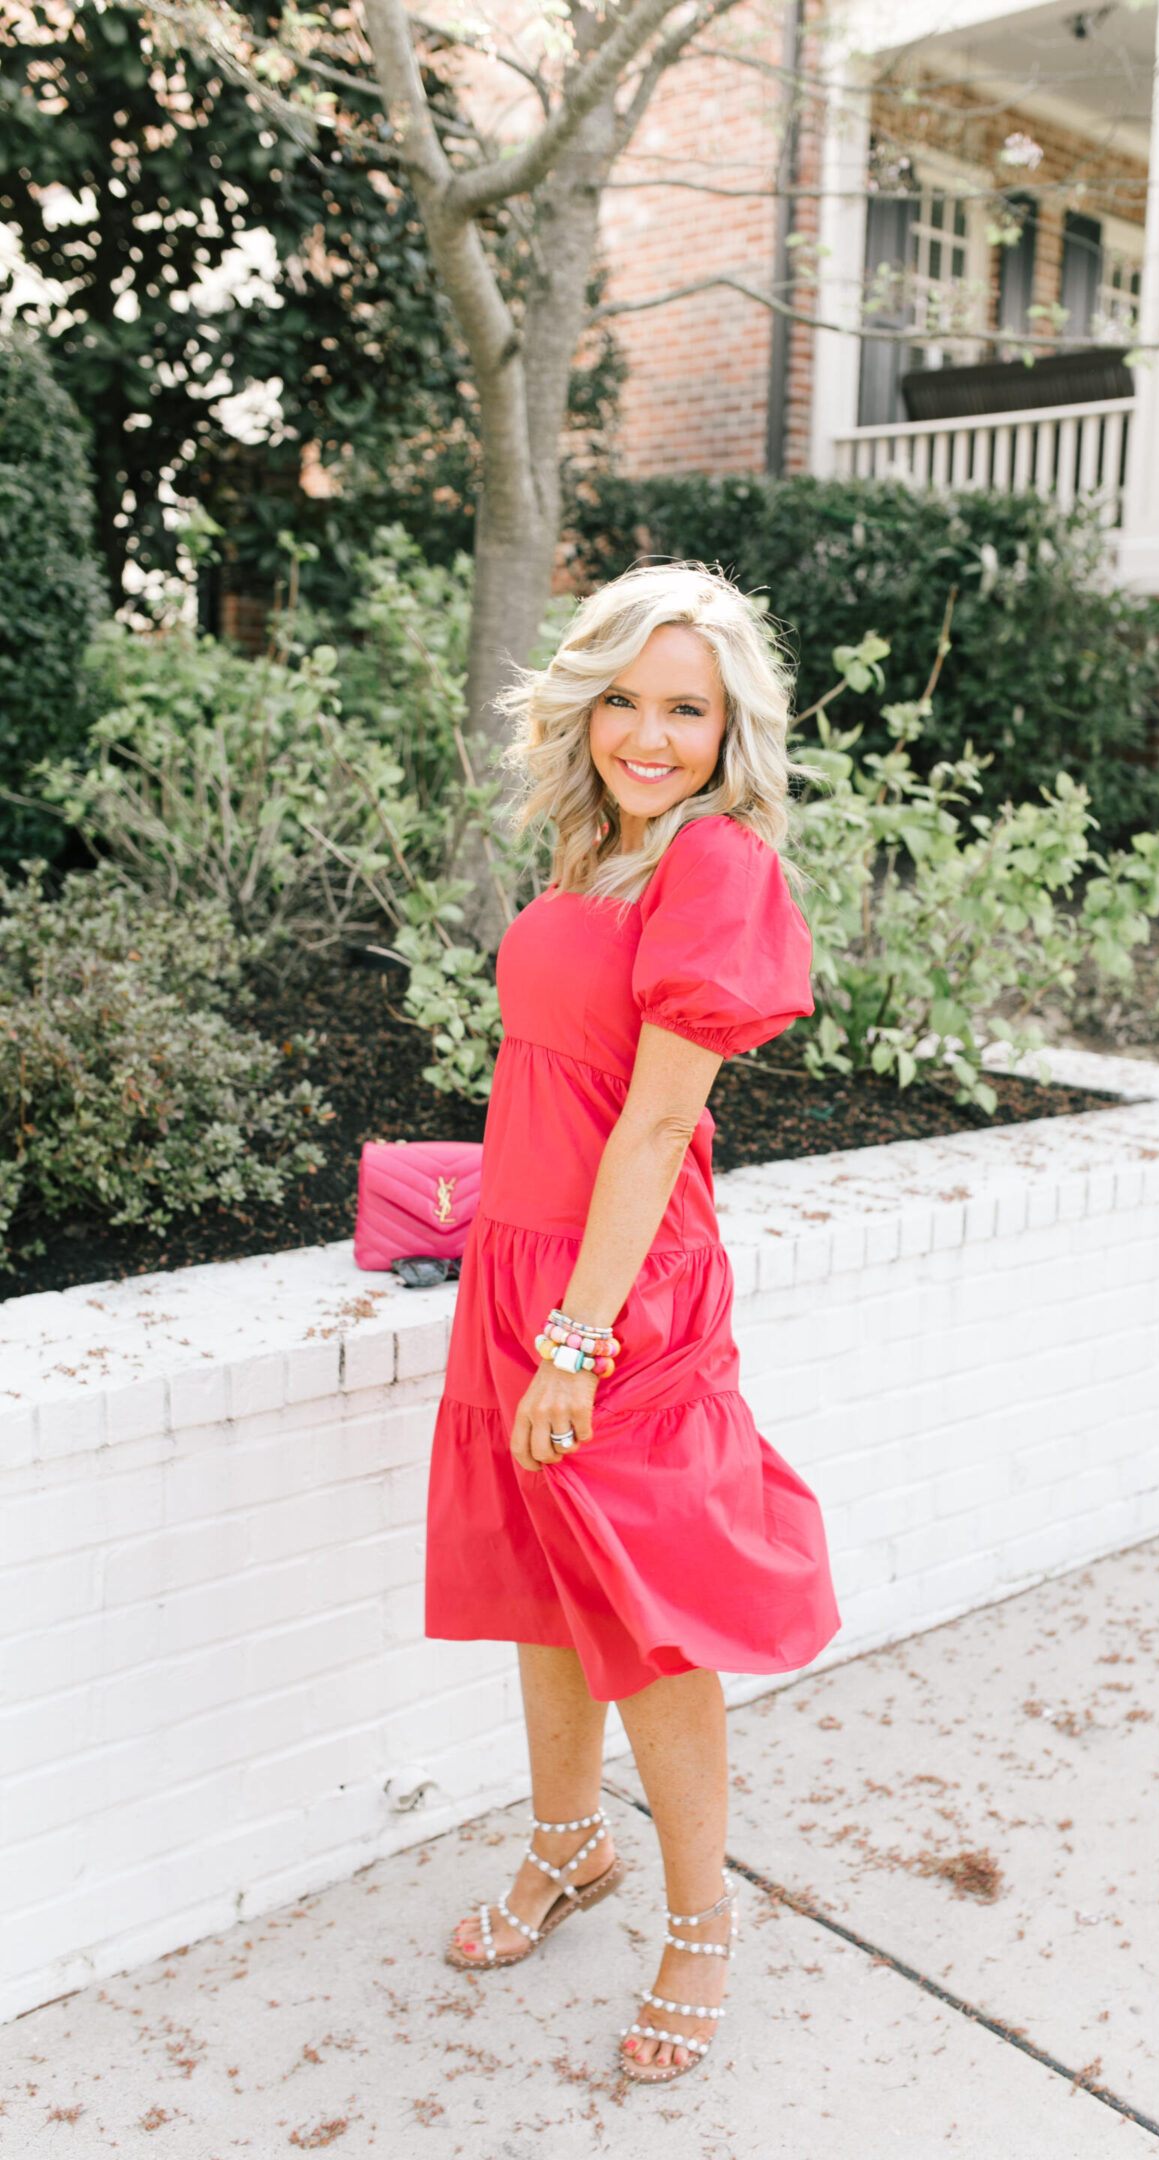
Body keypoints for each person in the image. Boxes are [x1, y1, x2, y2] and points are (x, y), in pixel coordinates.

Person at [425, 562, 840, 2085]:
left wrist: (579, 1337)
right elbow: (563, 1074)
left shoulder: (715, 863)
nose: (648, 734)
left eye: (686, 708)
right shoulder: (595, 845)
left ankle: (700, 1926)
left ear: (731, 727)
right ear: (586, 700)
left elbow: (661, 1125)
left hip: (619, 1300)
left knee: (651, 1625)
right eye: (625, 699)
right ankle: (567, 1847)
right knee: (542, 1592)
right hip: (523, 1267)